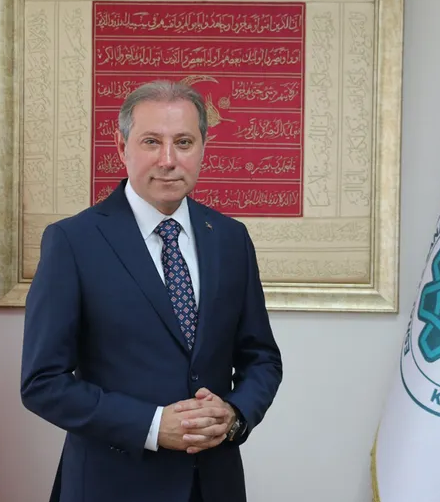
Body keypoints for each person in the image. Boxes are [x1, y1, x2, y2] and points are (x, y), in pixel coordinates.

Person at [20, 79, 283, 502]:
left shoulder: (230, 238)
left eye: (184, 142)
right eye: (151, 142)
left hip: (214, 484)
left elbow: (261, 358)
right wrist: (153, 426)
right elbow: (42, 382)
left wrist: (234, 414)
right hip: (110, 486)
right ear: (121, 146)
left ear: (203, 147)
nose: (168, 160)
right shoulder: (73, 241)